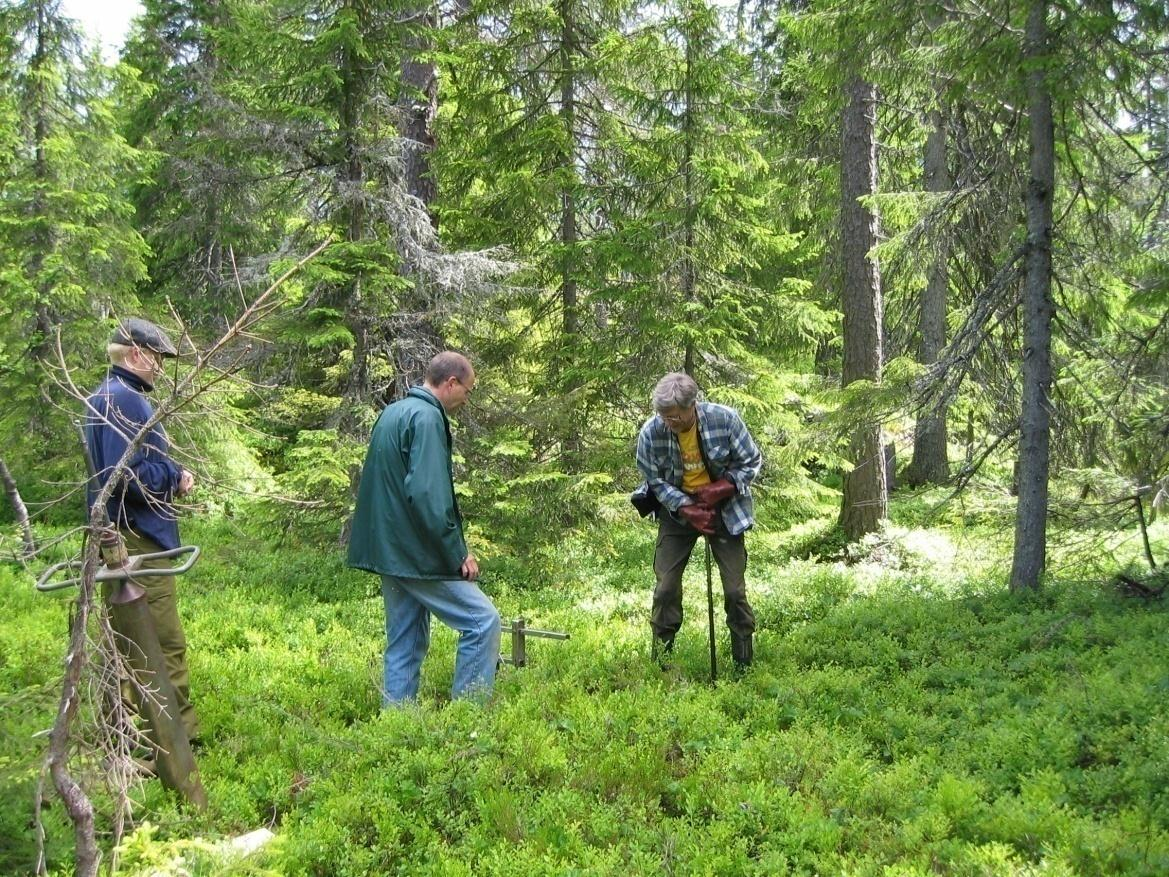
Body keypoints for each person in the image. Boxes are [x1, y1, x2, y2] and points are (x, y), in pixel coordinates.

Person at [348, 351, 501, 704]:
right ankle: (467, 720)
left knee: (405, 640)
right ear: (451, 383)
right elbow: (426, 494)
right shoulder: (428, 418)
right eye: (468, 390)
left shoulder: (393, 413)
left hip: (389, 552)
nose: (467, 398)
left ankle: (397, 731)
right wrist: (458, 552)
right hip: (416, 553)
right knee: (483, 622)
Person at [86, 317, 200, 742]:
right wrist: (175, 477)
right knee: (162, 641)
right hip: (139, 538)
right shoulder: (128, 400)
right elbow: (127, 476)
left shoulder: (100, 396)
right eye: (157, 358)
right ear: (137, 354)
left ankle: (125, 736)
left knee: (124, 642)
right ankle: (177, 739)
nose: (159, 367)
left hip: (114, 537)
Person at [635, 372, 762, 670]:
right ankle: (661, 663)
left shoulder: (725, 419)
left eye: (675, 417)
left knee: (734, 590)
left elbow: (751, 461)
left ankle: (744, 663)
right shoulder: (651, 432)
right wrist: (685, 507)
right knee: (665, 587)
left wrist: (722, 488)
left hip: (725, 509)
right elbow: (653, 479)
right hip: (676, 513)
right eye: (664, 415)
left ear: (693, 405)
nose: (668, 422)